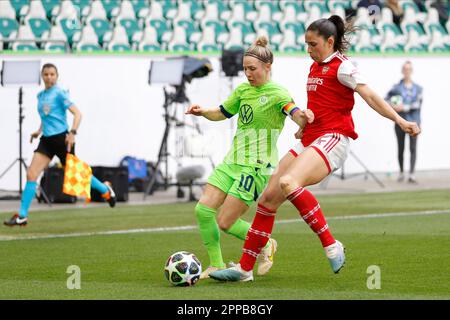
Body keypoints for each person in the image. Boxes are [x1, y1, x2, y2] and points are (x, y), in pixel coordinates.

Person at [209, 15, 421, 282]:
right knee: (268, 199)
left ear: (330, 42)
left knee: (288, 181)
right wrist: (303, 126)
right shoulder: (315, 68)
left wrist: (400, 120)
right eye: (306, 44)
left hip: (334, 138)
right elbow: (319, 107)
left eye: (313, 44)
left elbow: (370, 96)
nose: (308, 50)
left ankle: (332, 243)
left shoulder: (343, 67)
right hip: (311, 138)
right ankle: (244, 268)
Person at [185, 36, 314, 279]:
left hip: (255, 166)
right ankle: (215, 264)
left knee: (225, 222)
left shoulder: (278, 93)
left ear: (268, 67)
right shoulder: (243, 90)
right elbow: (222, 113)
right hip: (231, 161)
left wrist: (304, 117)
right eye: (245, 68)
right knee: (203, 210)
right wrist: (203, 112)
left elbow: (295, 114)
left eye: (252, 69)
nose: (247, 73)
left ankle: (265, 243)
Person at [4, 63, 116, 227]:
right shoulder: (40, 95)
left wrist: (72, 133)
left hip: (62, 140)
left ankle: (106, 190)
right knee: (31, 174)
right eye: (46, 74)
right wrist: (38, 131)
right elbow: (46, 117)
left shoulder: (59, 93)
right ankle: (22, 216)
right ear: (42, 76)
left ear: (57, 76)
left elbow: (78, 114)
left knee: (77, 175)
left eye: (52, 74)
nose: (49, 77)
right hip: (47, 141)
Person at [386, 61, 423, 183]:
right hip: (400, 122)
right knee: (400, 147)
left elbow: (417, 104)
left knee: (413, 148)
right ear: (402, 71)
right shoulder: (396, 88)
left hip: (414, 122)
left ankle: (412, 174)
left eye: (409, 69)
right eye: (405, 69)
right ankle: (401, 172)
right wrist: (393, 105)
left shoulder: (418, 88)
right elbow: (385, 100)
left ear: (411, 71)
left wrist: (404, 107)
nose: (407, 71)